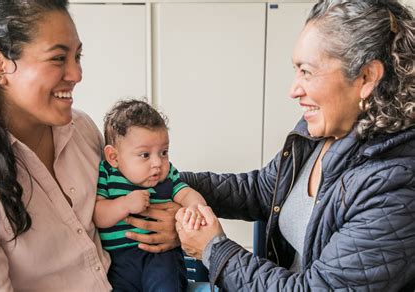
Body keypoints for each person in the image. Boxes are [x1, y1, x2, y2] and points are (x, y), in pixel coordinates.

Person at [175, 0, 415, 291]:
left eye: (307, 71)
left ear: (366, 78)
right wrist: (171, 183)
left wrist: (213, 250)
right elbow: (262, 190)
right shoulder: (321, 131)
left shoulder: (397, 188)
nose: (293, 90)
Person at [0, 1, 179, 290]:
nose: (77, 74)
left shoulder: (82, 130)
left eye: (77, 56)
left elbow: (131, 187)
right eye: (58, 59)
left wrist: (170, 224)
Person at [94, 99, 207, 291]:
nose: (158, 163)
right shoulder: (107, 173)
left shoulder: (167, 175)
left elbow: (186, 193)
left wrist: (196, 209)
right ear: (114, 157)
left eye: (164, 152)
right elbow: (97, 216)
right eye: (145, 155)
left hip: (161, 256)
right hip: (118, 262)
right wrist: (125, 205)